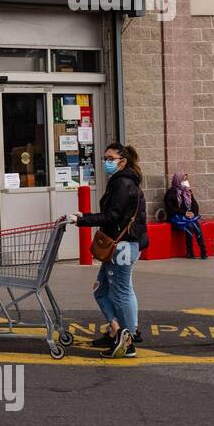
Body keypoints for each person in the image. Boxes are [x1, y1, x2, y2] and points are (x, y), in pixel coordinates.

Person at [74, 143, 148, 358]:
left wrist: (82, 219)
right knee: (102, 290)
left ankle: (128, 340)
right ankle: (117, 331)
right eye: (105, 158)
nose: (106, 162)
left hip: (122, 245)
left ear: (122, 162)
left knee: (121, 292)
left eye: (110, 158)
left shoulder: (123, 183)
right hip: (120, 243)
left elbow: (112, 216)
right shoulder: (122, 181)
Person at [165, 172, 206, 259]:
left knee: (196, 225)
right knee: (190, 226)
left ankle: (203, 251)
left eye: (186, 179)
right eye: (183, 179)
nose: (185, 181)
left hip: (187, 217)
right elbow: (170, 208)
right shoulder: (171, 193)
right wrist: (184, 213)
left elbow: (195, 205)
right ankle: (189, 251)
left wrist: (193, 213)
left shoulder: (188, 192)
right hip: (176, 217)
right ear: (178, 180)